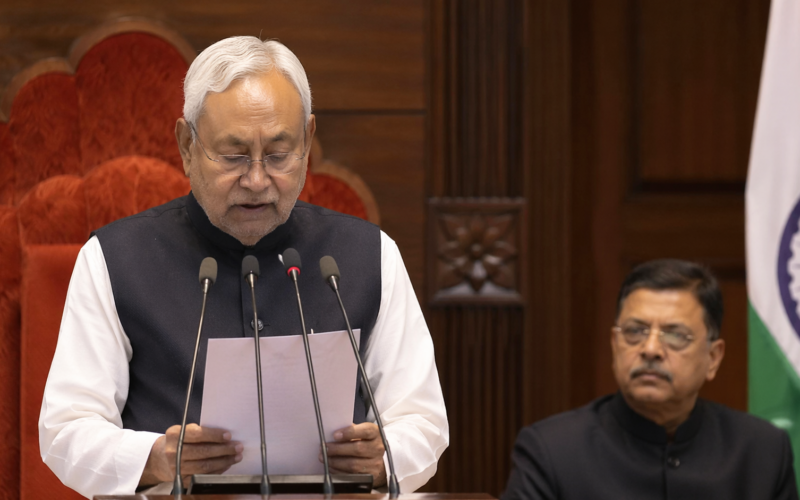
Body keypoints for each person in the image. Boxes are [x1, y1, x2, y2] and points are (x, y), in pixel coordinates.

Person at [39, 36, 448, 497]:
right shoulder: (114, 258)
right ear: (186, 146)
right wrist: (154, 458)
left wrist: (385, 455)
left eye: (278, 155)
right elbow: (66, 429)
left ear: (308, 141)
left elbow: (424, 422)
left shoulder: (367, 255)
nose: (256, 180)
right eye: (233, 156)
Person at [502, 259, 798, 500]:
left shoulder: (762, 453)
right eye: (635, 331)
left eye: (675, 335)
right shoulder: (552, 451)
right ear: (614, 344)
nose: (651, 349)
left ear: (713, 357)